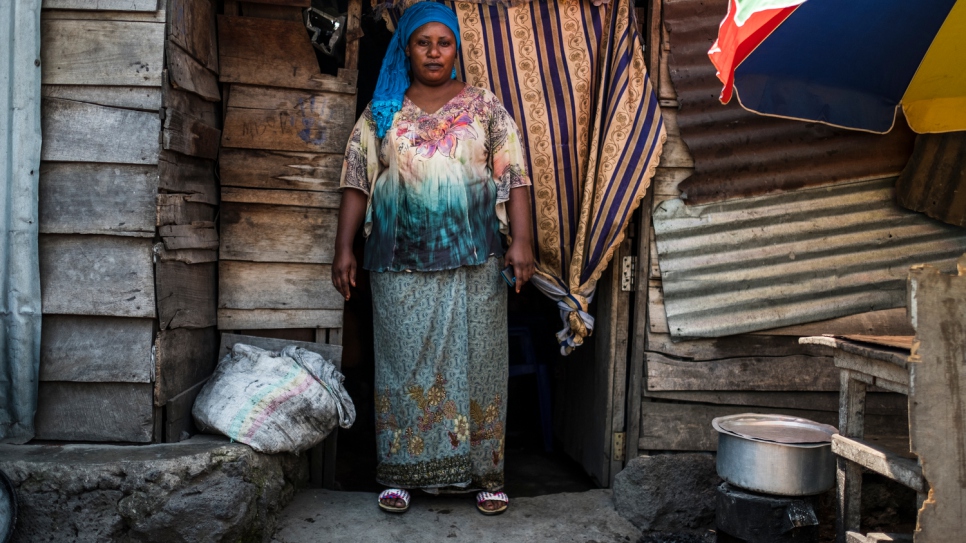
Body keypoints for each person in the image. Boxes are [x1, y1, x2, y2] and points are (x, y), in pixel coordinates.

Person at [331, 1, 535, 516]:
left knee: (481, 364)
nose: (434, 52)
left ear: (456, 49)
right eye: (423, 42)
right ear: (408, 48)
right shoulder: (383, 109)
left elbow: (515, 174)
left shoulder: (485, 107)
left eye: (444, 43)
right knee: (402, 363)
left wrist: (522, 242)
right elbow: (358, 178)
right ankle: (400, 472)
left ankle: (486, 473)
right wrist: (343, 248)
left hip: (475, 257)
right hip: (398, 259)